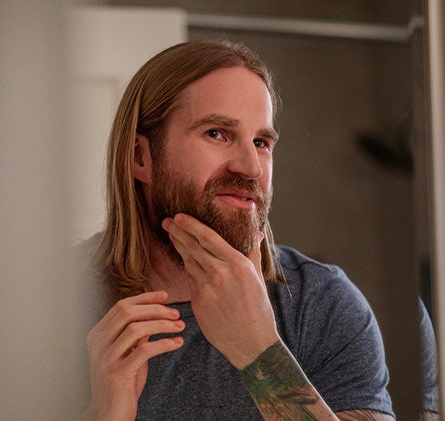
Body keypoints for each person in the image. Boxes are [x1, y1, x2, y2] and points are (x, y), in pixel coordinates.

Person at [80, 39, 398, 420]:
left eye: (261, 142)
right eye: (217, 133)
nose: (250, 167)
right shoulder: (47, 305)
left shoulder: (323, 304)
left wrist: (260, 351)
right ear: (140, 157)